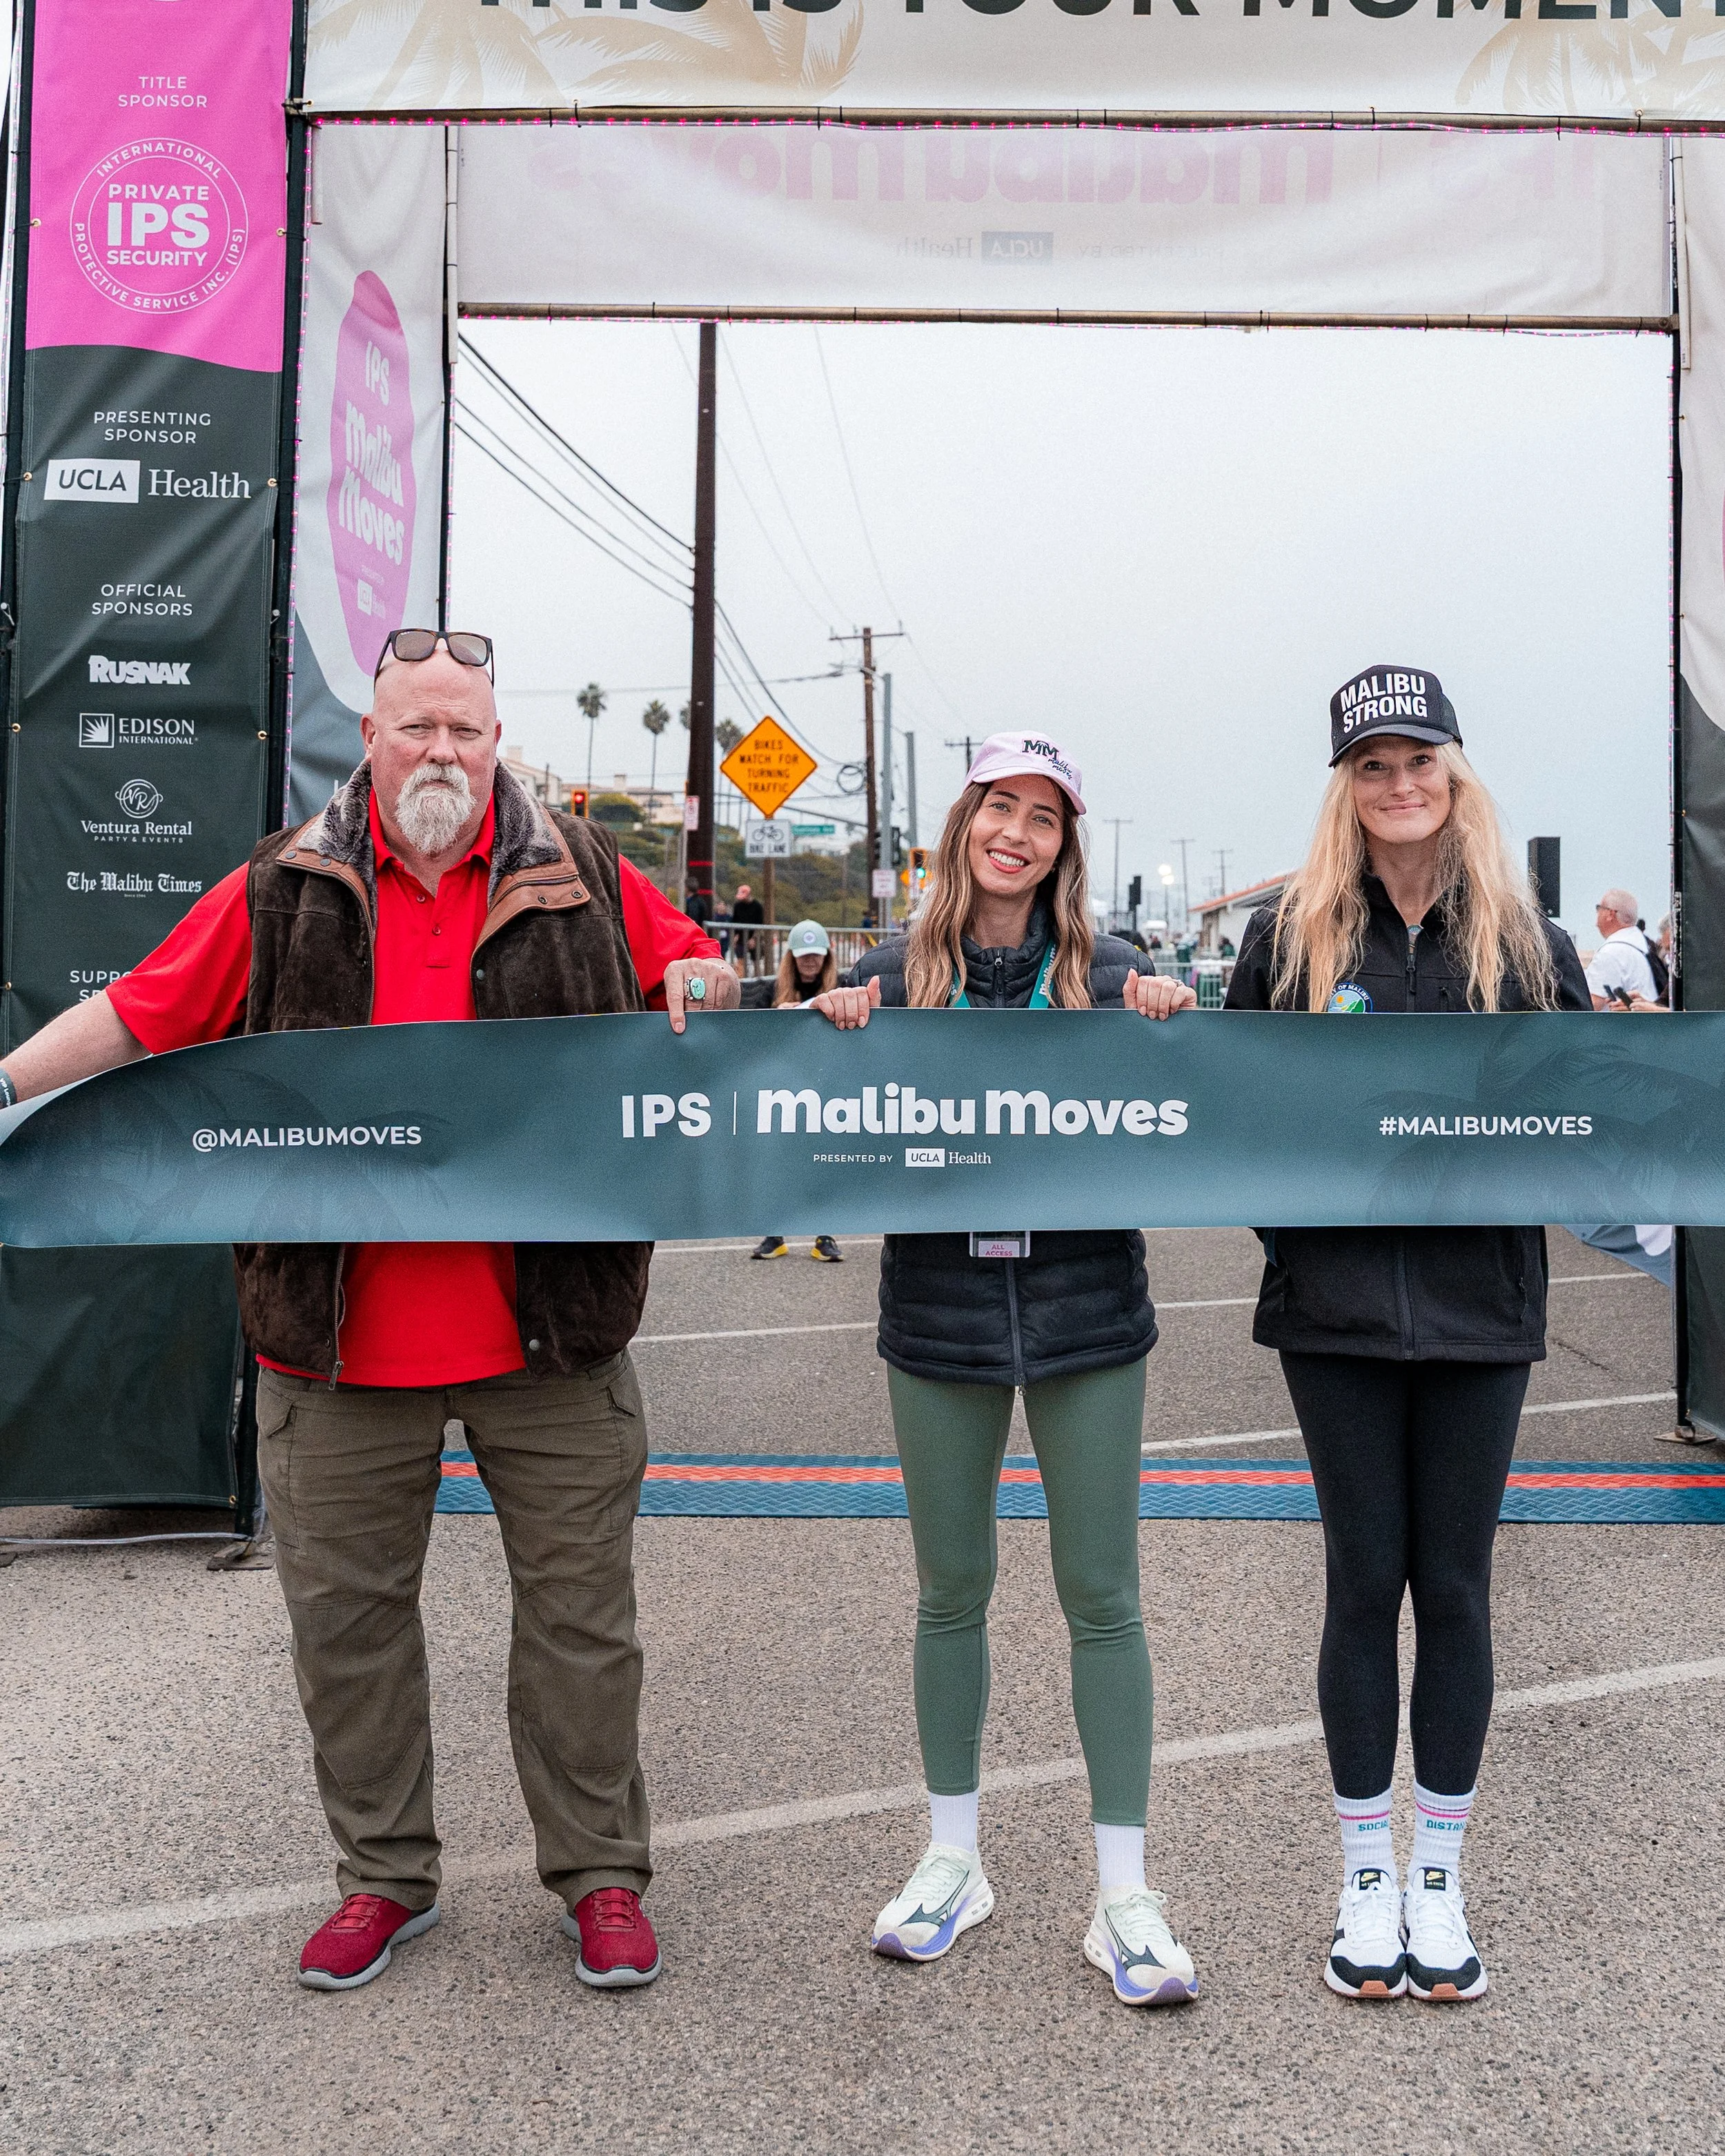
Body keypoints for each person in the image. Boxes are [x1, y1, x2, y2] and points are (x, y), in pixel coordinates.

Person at [0, 629, 740, 1993]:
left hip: (553, 1338)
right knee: (349, 1636)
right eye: (417, 729)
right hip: (332, 1345)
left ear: (497, 741)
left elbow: (693, 975)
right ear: (371, 741)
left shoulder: (581, 870)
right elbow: (139, 1018)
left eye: (465, 730)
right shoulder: (283, 885)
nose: (442, 753)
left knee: (582, 1628)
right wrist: (3, 1086)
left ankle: (600, 1876)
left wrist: (710, 981)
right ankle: (384, 1879)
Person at [810, 731, 1203, 2010]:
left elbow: (1193, 1105)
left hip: (1088, 1319)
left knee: (1104, 1596)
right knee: (950, 1592)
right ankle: (953, 1861)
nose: (1016, 832)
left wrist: (1167, 1025)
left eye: (1043, 815)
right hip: (940, 1319)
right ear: (965, 822)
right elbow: (806, 1110)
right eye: (1000, 806)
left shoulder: (1115, 973)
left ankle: (1124, 1892)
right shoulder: (889, 974)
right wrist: (832, 1027)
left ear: (1064, 843)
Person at [1225, 664, 1589, 2006]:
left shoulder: (1525, 937)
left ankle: (1439, 1875)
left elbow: (1586, 1110)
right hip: (1334, 1317)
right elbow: (1233, 1113)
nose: (1398, 785)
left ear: (1452, 770)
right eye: (1371, 765)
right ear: (1345, 783)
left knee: (1455, 1586)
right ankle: (1363, 1875)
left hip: (1481, 1308)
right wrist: (1301, 1237)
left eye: (1417, 760)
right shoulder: (1287, 933)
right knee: (1360, 1580)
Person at [753, 920, 842, 1263]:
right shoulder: (770, 991)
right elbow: (749, 1032)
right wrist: (776, 1018)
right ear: (792, 957)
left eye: (815, 955)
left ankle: (825, 1235)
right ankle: (774, 1233)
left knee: (824, 1160)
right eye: (804, 956)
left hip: (826, 1089)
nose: (810, 961)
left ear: (826, 957)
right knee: (777, 1159)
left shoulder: (842, 987)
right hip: (783, 1089)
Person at [1585, 888, 1659, 1009]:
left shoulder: (1610, 953)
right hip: (1650, 1018)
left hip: (1626, 1021)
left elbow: (1593, 1004)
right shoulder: (1642, 945)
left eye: (1599, 908)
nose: (1597, 914)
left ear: (1610, 914)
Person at [730, 881, 766, 970]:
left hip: (754, 935)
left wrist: (754, 938)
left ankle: (757, 977)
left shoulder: (757, 906)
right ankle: (742, 977)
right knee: (741, 961)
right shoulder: (737, 906)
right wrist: (735, 936)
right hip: (741, 936)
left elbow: (760, 923)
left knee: (756, 960)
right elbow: (735, 921)